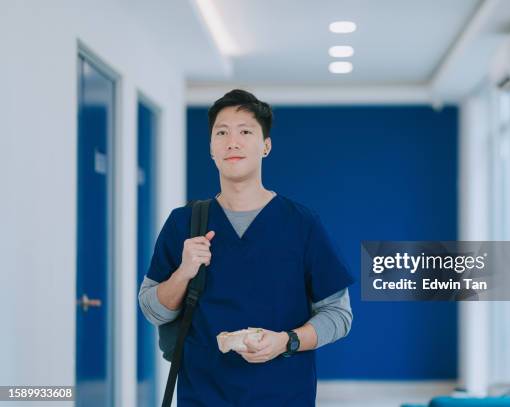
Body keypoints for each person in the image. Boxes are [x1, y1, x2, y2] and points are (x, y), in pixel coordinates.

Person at [138, 89, 355, 406]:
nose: (232, 142)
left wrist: (286, 341)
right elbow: (152, 309)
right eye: (221, 133)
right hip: (202, 395)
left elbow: (339, 315)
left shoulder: (302, 224)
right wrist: (183, 273)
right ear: (211, 147)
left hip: (284, 395)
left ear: (266, 146)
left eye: (245, 132)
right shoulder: (184, 223)